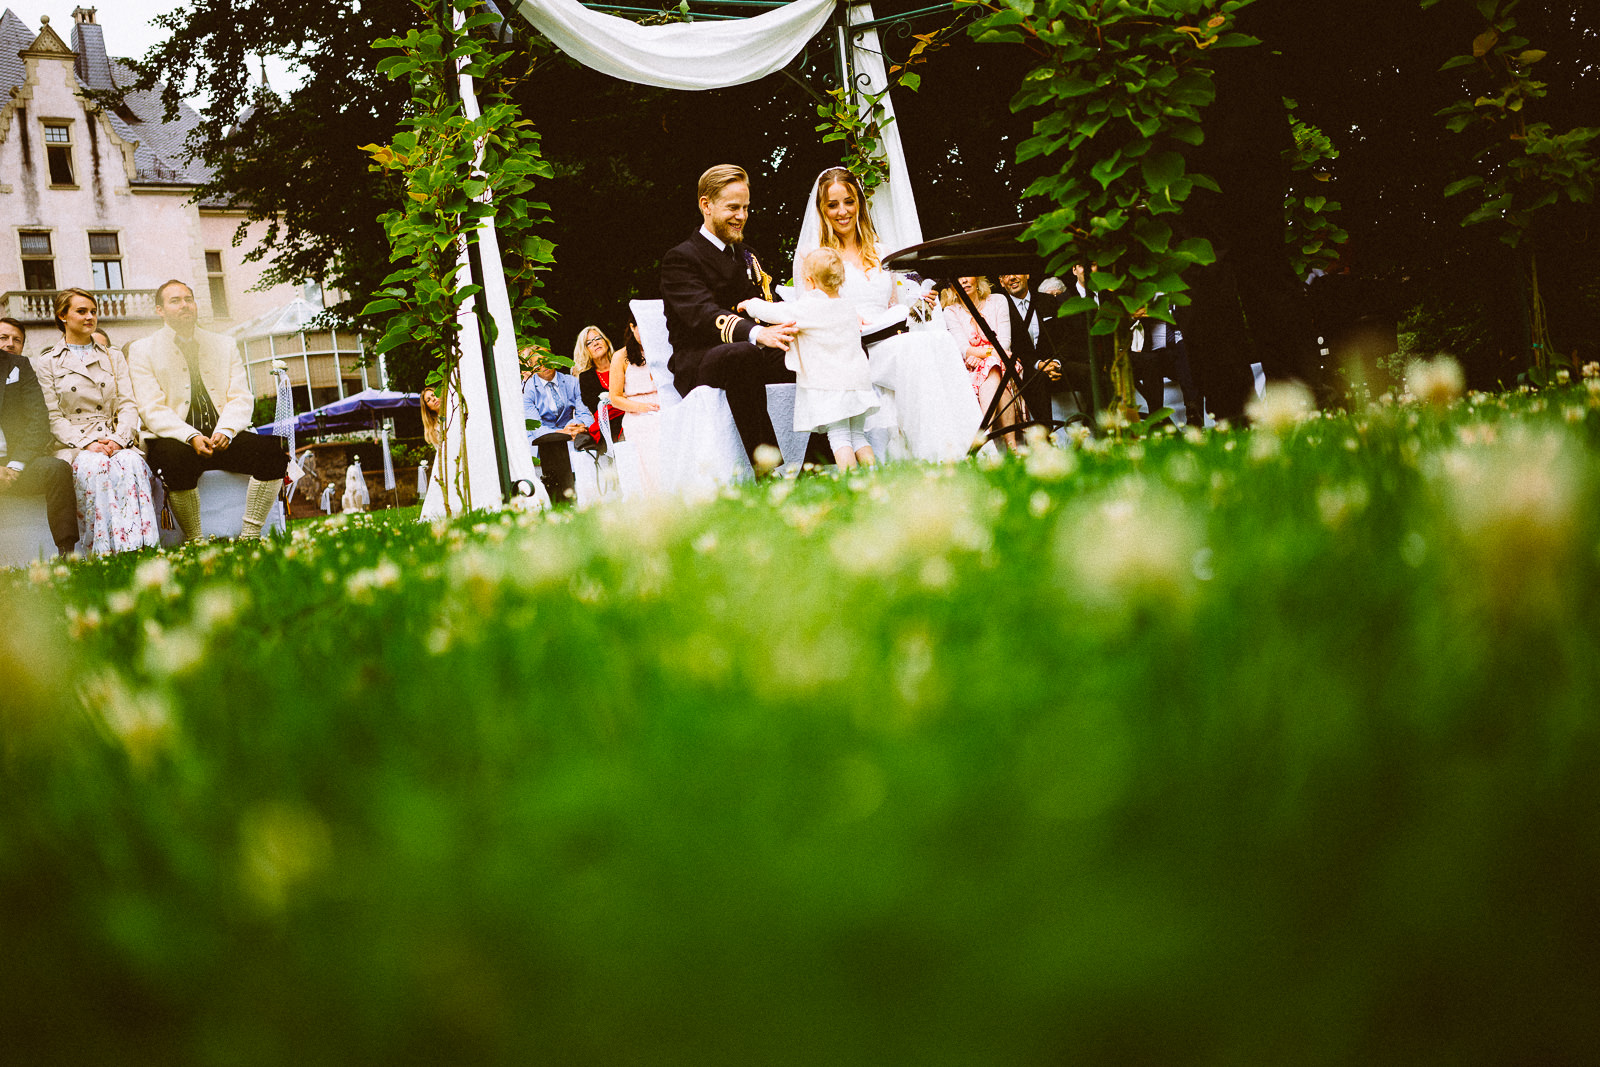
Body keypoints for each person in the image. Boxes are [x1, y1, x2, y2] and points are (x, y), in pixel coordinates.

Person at [793, 166, 981, 462]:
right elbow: (810, 313)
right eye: (833, 204)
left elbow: (894, 306)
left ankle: (973, 447)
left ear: (859, 204)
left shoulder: (882, 251)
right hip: (854, 350)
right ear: (821, 209)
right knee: (915, 348)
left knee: (940, 340)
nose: (843, 211)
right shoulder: (814, 256)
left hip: (890, 336)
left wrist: (918, 306)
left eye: (849, 202)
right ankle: (937, 456)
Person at [127, 280, 288, 541]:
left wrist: (226, 430)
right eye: (175, 301)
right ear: (160, 310)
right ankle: (195, 539)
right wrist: (190, 436)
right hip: (176, 440)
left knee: (273, 451)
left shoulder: (224, 344)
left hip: (222, 439)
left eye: (188, 299)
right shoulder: (143, 350)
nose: (185, 305)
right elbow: (151, 407)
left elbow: (241, 396)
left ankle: (250, 534)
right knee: (174, 459)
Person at [660, 163, 799, 465]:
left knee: (813, 352)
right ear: (706, 205)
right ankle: (769, 470)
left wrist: (810, 323)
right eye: (733, 207)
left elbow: (769, 302)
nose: (742, 216)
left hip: (753, 352)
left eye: (746, 208)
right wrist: (756, 333)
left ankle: (822, 457)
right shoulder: (681, 258)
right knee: (741, 355)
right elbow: (702, 314)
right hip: (700, 359)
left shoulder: (747, 254)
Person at [32, 290, 160, 555]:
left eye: (93, 311)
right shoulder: (47, 363)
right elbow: (52, 416)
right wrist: (87, 443)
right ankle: (101, 553)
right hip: (75, 444)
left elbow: (127, 404)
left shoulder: (113, 356)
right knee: (96, 466)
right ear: (62, 316)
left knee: (132, 462)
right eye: (81, 311)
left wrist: (117, 439)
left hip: (113, 438)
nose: (90, 317)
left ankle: (140, 547)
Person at [741, 247, 879, 469]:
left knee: (840, 436)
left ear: (811, 282)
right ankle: (873, 477)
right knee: (858, 436)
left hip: (832, 386)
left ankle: (851, 483)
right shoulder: (848, 307)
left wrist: (751, 305)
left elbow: (778, 312)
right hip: (859, 383)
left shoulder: (811, 307)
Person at [0, 316, 77, 558]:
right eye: (3, 337)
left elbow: (38, 421)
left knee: (57, 469)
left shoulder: (20, 367)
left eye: (16, 339)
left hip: (16, 467)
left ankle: (67, 555)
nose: (10, 344)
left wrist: (14, 466)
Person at [943, 276, 1025, 447]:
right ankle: (1012, 446)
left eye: (967, 276)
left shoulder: (998, 300)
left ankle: (982, 436)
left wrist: (982, 354)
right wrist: (988, 354)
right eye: (958, 278)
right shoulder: (951, 311)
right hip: (972, 367)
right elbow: (964, 349)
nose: (964, 281)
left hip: (1001, 361)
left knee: (995, 365)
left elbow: (1004, 342)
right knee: (994, 368)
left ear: (977, 279)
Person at [521, 345, 599, 505]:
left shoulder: (571, 382)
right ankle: (558, 498)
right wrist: (561, 433)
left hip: (571, 435)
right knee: (558, 445)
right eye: (538, 363)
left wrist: (579, 426)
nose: (544, 366)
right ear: (531, 367)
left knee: (576, 441)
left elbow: (585, 412)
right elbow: (535, 426)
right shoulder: (528, 389)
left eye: (547, 360)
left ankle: (583, 495)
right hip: (542, 439)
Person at [608, 313, 662, 490]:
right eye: (641, 328)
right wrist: (642, 407)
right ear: (632, 327)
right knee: (649, 432)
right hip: (637, 411)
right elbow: (615, 397)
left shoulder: (662, 349)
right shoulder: (620, 356)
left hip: (664, 404)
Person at [572, 325, 624, 445]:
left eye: (598, 338)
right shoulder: (586, 378)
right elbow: (598, 408)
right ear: (585, 350)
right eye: (589, 343)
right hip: (610, 426)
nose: (595, 343)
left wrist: (613, 399)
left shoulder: (623, 364)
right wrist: (624, 397)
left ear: (605, 341)